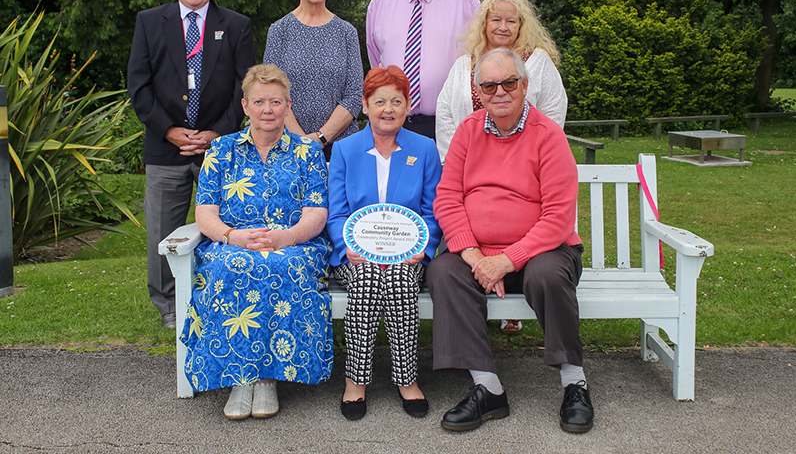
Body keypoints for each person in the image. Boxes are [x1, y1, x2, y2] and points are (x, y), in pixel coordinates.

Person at [428, 48, 593, 433]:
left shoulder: (548, 136)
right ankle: (488, 389)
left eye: (509, 83)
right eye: (489, 85)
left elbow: (558, 218)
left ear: (525, 85)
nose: (499, 91)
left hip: (545, 250)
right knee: (443, 272)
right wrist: (472, 254)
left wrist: (508, 260)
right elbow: (448, 198)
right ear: (478, 91)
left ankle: (574, 383)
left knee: (547, 275)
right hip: (479, 252)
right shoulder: (468, 131)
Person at [180, 64, 333, 420]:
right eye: (260, 101)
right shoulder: (222, 149)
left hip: (293, 242)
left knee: (281, 265)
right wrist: (231, 236)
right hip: (233, 240)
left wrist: (287, 236)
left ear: (287, 105)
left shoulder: (307, 153)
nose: (268, 109)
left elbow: (317, 212)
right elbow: (205, 212)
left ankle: (266, 380)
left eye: (276, 102)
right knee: (227, 265)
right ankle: (240, 379)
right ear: (246, 105)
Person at [128, 0, 256, 329]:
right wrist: (168, 130)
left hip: (221, 148)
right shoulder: (150, 22)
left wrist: (218, 132)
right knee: (163, 231)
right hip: (165, 147)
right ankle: (168, 303)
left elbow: (244, 85)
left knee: (229, 223)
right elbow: (138, 84)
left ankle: (224, 293)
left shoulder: (236, 25)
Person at [435, 0, 568, 335]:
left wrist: (533, 147)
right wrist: (459, 164)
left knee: (546, 269)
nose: (503, 25)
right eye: (496, 18)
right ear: (484, 22)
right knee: (445, 270)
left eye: (512, 19)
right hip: (470, 170)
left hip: (527, 174)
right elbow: (446, 116)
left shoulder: (537, 62)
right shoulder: (465, 64)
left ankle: (570, 375)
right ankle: (482, 377)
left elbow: (552, 115)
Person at [327, 66, 442, 420]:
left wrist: (424, 247)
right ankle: (355, 382)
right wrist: (348, 246)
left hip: (407, 256)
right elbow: (335, 212)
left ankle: (406, 379)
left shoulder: (424, 149)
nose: (388, 109)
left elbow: (433, 209)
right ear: (365, 105)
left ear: (408, 106)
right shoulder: (345, 150)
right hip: (354, 256)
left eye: (396, 101)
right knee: (366, 279)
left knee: (398, 279)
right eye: (379, 101)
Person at [366, 0, 480, 140]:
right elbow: (376, 59)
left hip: (450, 125)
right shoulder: (380, 1)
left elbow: (482, 55)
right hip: (394, 125)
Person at [263, 0, 363, 158]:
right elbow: (271, 93)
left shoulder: (346, 32)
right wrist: (301, 140)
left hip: (341, 149)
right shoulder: (279, 31)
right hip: (288, 146)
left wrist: (320, 137)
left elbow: (354, 94)